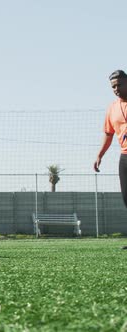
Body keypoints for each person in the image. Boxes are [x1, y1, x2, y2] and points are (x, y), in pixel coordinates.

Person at [94, 69, 127, 250]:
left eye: (119, 85)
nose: (116, 89)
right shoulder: (113, 108)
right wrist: (100, 155)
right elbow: (108, 133)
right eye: (113, 86)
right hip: (125, 156)